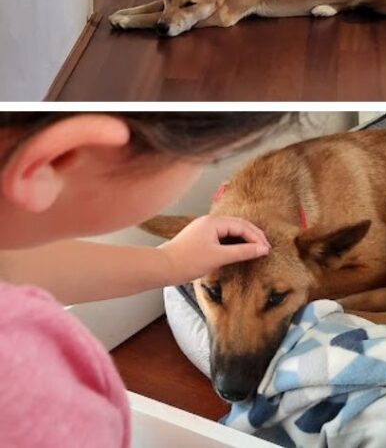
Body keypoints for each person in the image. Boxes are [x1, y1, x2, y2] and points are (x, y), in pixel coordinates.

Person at [0, 113, 289, 447]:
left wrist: (169, 261)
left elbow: (11, 266)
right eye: (207, 156)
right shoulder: (31, 392)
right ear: (60, 157)